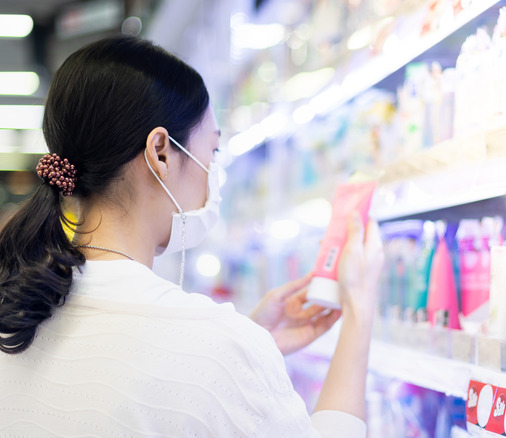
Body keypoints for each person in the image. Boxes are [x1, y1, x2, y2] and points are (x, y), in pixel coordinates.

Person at [0, 35, 383, 437]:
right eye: (213, 152)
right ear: (161, 152)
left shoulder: (19, 307)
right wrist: (358, 310)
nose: (213, 175)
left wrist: (248, 350)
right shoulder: (217, 345)